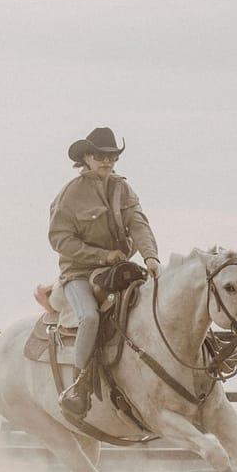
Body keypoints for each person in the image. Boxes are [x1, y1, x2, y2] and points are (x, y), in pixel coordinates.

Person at [48, 126, 161, 418]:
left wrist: (151, 257)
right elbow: (59, 239)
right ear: (86, 157)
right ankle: (79, 383)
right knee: (89, 316)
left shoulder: (122, 189)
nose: (107, 162)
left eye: (112, 156)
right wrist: (101, 255)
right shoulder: (70, 195)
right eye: (100, 156)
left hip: (118, 269)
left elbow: (138, 223)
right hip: (79, 273)